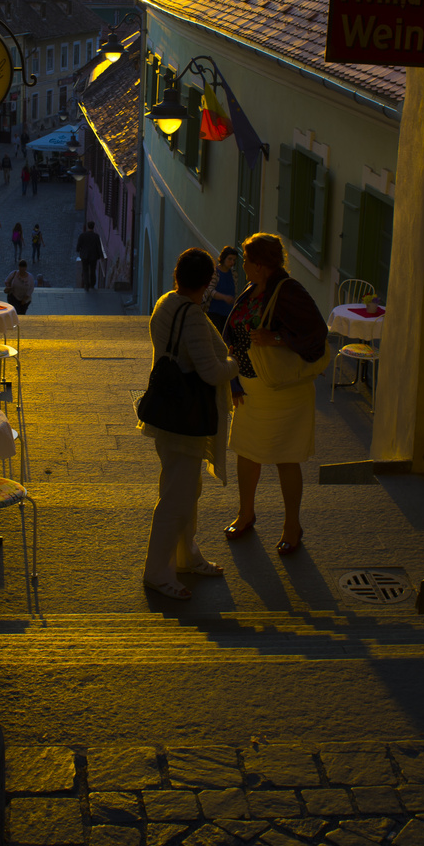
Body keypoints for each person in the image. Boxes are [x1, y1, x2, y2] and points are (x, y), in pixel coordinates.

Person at [141, 248, 239, 601]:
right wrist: (234, 364)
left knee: (185, 492)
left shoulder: (165, 303)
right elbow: (212, 371)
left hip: (167, 413)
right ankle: (158, 573)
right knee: (176, 498)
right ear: (205, 282)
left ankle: (187, 557)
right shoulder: (195, 317)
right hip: (186, 419)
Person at [222, 233, 328, 555]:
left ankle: (291, 525)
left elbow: (316, 333)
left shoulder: (289, 291)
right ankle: (246, 513)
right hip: (251, 389)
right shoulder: (253, 289)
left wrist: (278, 338)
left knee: (285, 458)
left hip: (283, 392)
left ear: (261, 265)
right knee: (246, 452)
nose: (242, 266)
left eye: (246, 261)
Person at [205, 246, 239, 334]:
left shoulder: (234, 274)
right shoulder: (215, 272)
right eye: (230, 259)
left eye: (234, 260)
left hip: (228, 313)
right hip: (214, 312)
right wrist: (224, 297)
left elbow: (234, 292)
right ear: (223, 258)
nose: (232, 262)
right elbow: (210, 290)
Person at [76, 221, 103, 290]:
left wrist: (79, 250)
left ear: (88, 226)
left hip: (84, 256)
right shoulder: (96, 236)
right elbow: (99, 247)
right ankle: (92, 284)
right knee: (93, 270)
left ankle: (86, 284)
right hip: (93, 256)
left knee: (85, 270)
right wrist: (101, 256)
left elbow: (78, 246)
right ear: (93, 227)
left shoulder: (82, 235)